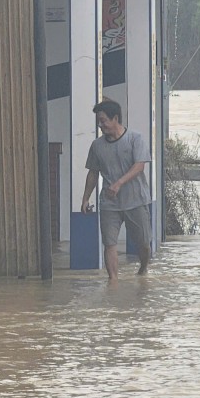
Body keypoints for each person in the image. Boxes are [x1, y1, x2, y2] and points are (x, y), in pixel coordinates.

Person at [80, 99, 151, 285]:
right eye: (99, 121)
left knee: (143, 243)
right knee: (109, 243)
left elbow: (139, 166)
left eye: (103, 120)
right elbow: (93, 173)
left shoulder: (135, 138)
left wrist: (119, 183)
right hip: (109, 203)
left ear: (116, 118)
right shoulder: (97, 146)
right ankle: (113, 282)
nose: (100, 125)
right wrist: (85, 198)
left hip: (136, 200)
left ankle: (143, 267)